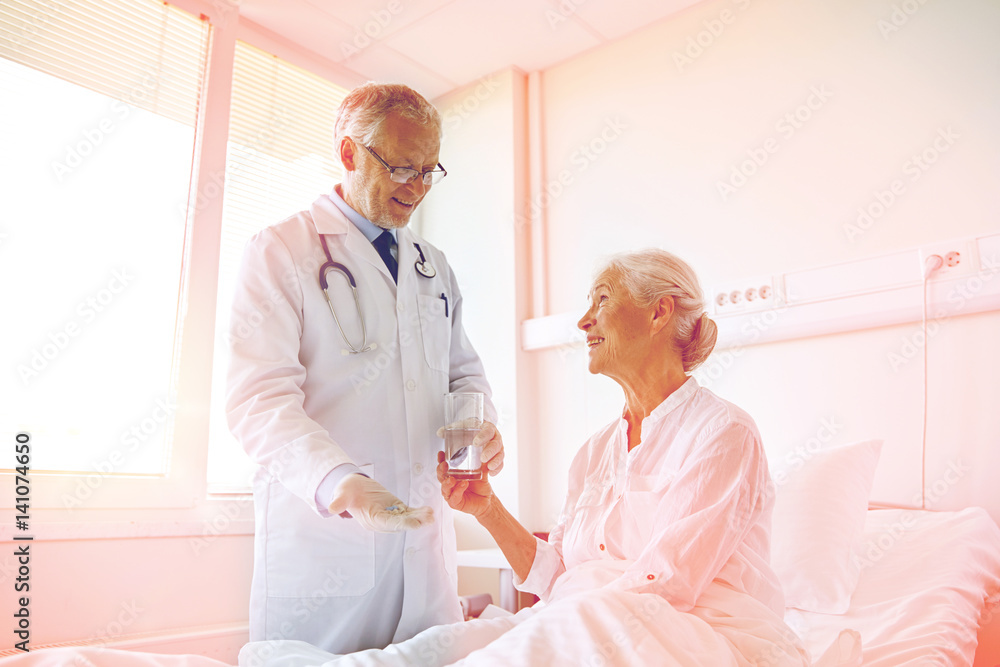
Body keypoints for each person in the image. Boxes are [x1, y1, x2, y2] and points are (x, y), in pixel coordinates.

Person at [238, 249, 812, 666]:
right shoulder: (595, 452)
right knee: (449, 645)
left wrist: (554, 619)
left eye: (603, 300)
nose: (584, 321)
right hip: (593, 617)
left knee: (554, 625)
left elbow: (668, 584)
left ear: (659, 313)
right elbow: (556, 574)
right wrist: (486, 508)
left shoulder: (722, 433)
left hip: (697, 633)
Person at [226, 82, 504, 654]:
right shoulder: (281, 250)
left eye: (428, 170)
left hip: (424, 553)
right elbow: (258, 399)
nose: (416, 187)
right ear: (349, 153)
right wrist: (340, 481)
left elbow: (462, 375)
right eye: (401, 167)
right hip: (327, 549)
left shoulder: (432, 266)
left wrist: (477, 428)